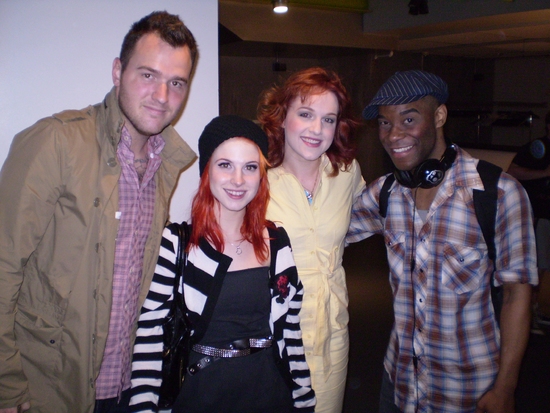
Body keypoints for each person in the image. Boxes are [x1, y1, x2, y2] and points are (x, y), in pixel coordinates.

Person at [0, 11, 197, 413]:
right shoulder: (57, 142)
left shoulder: (165, 165)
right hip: (45, 389)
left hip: (118, 387)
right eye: (148, 75)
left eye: (176, 83)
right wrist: (7, 389)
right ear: (117, 71)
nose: (162, 96)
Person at [347, 70, 537, 413]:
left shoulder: (498, 193)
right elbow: (322, 234)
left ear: (439, 116)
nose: (393, 135)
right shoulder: (385, 194)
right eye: (385, 123)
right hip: (399, 385)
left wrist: (505, 388)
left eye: (408, 118)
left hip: (468, 392)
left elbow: (516, 294)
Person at [128, 115, 316, 413]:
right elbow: (150, 336)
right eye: (225, 165)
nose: (238, 180)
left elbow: (290, 332)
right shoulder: (177, 244)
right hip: (202, 395)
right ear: (207, 171)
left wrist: (304, 398)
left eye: (250, 167)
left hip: (271, 394)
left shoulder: (278, 243)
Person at [257, 67, 365, 413]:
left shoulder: (347, 175)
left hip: (333, 329)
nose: (317, 129)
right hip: (275, 334)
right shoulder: (257, 180)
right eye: (305, 114)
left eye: (328, 119)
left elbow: (363, 222)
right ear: (282, 116)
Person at [507, 111, 550, 332]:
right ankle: (529, 314)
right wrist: (545, 172)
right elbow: (512, 171)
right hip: (541, 215)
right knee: (538, 267)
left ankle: (535, 311)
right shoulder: (537, 148)